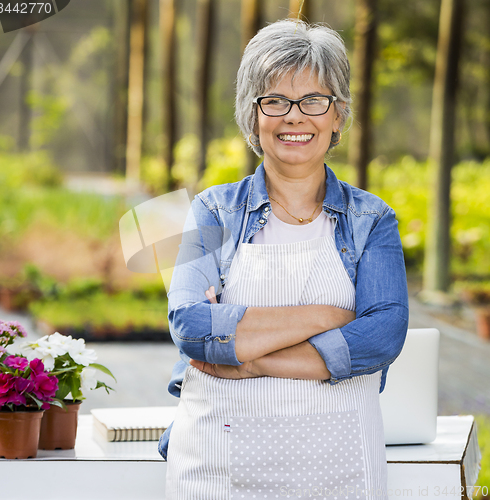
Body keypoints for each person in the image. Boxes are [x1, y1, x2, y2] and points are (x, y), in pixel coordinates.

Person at [159, 19, 409, 499]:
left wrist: (252, 359)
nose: (295, 117)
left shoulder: (372, 220)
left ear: (337, 116)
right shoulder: (211, 210)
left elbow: (382, 336)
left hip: (338, 468)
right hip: (218, 463)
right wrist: (328, 318)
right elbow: (190, 325)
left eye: (314, 100)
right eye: (274, 100)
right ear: (252, 116)